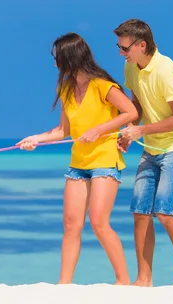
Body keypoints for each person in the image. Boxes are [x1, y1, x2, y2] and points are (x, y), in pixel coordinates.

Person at [18, 33, 137, 285]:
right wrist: (35, 138)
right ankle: (64, 284)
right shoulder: (66, 88)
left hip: (105, 160)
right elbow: (64, 130)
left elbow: (131, 112)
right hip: (79, 165)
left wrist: (99, 129)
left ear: (70, 57)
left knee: (98, 222)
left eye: (57, 58)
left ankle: (124, 281)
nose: (54, 64)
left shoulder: (104, 86)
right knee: (71, 225)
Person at [114, 19, 173, 287]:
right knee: (140, 211)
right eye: (118, 47)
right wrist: (131, 129)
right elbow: (138, 103)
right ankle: (144, 279)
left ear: (142, 45)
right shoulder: (131, 67)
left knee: (165, 212)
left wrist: (142, 130)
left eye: (125, 48)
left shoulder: (166, 71)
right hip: (151, 146)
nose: (121, 53)